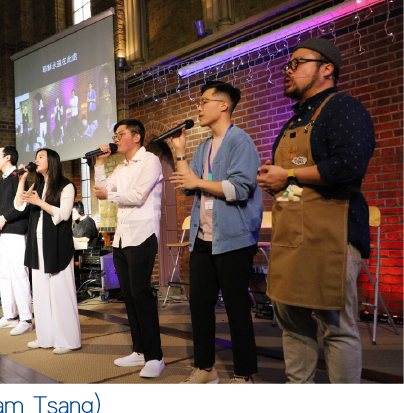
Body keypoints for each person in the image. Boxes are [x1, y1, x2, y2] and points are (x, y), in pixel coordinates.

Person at [257, 38, 376, 383]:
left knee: (337, 328)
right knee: (292, 323)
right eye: (288, 64)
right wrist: (278, 183)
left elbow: (348, 166)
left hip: (332, 237)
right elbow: (297, 185)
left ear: (327, 69)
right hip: (291, 237)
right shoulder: (294, 119)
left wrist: (288, 176)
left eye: (297, 63)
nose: (288, 70)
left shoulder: (344, 108)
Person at [169, 81, 263, 384]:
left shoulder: (240, 142)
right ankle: (206, 369)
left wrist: (197, 182)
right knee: (199, 304)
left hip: (233, 239)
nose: (198, 108)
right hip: (203, 238)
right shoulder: (204, 147)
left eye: (203, 101)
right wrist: (180, 153)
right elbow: (187, 185)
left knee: (237, 307)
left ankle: (243, 374)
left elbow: (239, 188)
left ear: (223, 105)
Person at [93, 119, 165, 378]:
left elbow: (137, 196)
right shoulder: (121, 167)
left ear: (136, 137)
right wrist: (99, 164)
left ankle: (155, 356)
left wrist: (109, 195)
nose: (115, 139)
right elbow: (101, 190)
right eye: (114, 135)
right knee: (129, 296)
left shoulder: (150, 161)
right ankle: (139, 350)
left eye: (120, 134)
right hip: (122, 238)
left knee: (142, 295)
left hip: (142, 235)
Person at [15, 148, 81, 354]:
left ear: (51, 161)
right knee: (41, 294)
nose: (36, 160)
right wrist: (22, 180)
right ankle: (46, 337)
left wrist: (39, 202)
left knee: (61, 293)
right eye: (36, 157)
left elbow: (64, 214)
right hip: (37, 244)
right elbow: (19, 206)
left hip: (58, 244)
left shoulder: (66, 185)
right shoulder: (37, 185)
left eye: (41, 157)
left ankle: (68, 340)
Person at [0, 146, 33, 336]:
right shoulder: (4, 180)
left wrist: (4, 218)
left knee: (19, 274)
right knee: (5, 275)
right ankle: (10, 316)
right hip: (7, 232)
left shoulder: (18, 177)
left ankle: (26, 319)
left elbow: (24, 204)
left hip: (17, 231)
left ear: (8, 157)